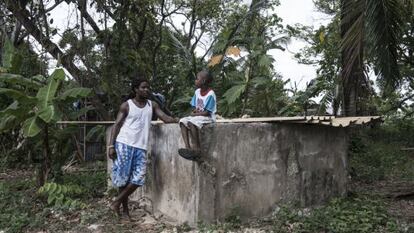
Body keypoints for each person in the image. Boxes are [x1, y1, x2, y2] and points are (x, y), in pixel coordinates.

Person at [108, 75, 178, 219]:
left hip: (140, 147)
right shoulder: (126, 105)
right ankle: (125, 212)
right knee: (123, 180)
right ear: (136, 89)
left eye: (148, 87)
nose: (146, 90)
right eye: (143, 87)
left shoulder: (152, 105)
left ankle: (116, 202)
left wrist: (179, 120)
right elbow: (117, 125)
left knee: (139, 178)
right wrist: (111, 145)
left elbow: (165, 118)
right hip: (124, 144)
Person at [178, 70, 216, 161]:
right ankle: (188, 148)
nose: (195, 81)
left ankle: (197, 149)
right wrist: (195, 112)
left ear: (203, 81)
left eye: (197, 79)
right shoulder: (197, 92)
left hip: (208, 117)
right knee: (182, 121)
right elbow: (196, 107)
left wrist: (195, 114)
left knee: (192, 122)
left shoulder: (211, 94)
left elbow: (207, 112)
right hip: (198, 116)